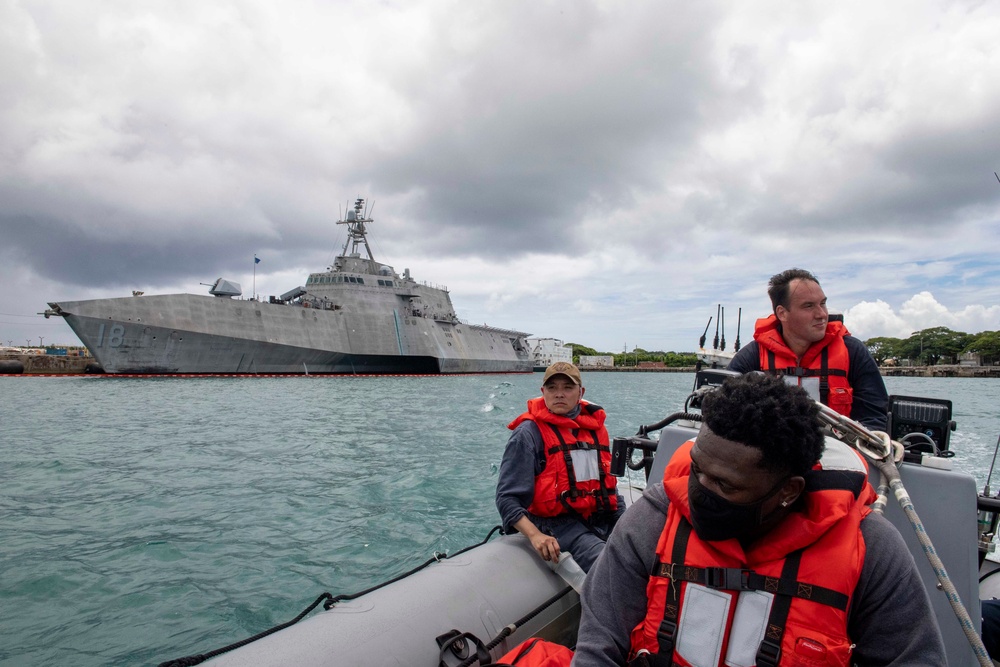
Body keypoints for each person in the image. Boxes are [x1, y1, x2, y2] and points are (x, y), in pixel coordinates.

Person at [572, 373, 945, 666]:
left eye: (724, 484)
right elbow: (598, 642)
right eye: (697, 469)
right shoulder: (654, 519)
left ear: (788, 491)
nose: (700, 490)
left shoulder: (870, 549)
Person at [496, 361, 624, 573]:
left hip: (600, 517)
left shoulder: (595, 430)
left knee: (647, 552)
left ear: (580, 392)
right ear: (543, 392)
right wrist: (535, 535)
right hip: (558, 526)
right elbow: (506, 499)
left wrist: (626, 522)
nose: (559, 394)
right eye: (552, 387)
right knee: (613, 570)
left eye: (567, 387)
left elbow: (606, 485)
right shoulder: (527, 435)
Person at [727, 268, 889, 431]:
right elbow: (723, 412)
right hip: (770, 451)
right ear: (782, 313)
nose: (822, 314)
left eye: (823, 303)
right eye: (808, 306)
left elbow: (873, 420)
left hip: (839, 451)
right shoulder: (752, 357)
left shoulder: (853, 352)